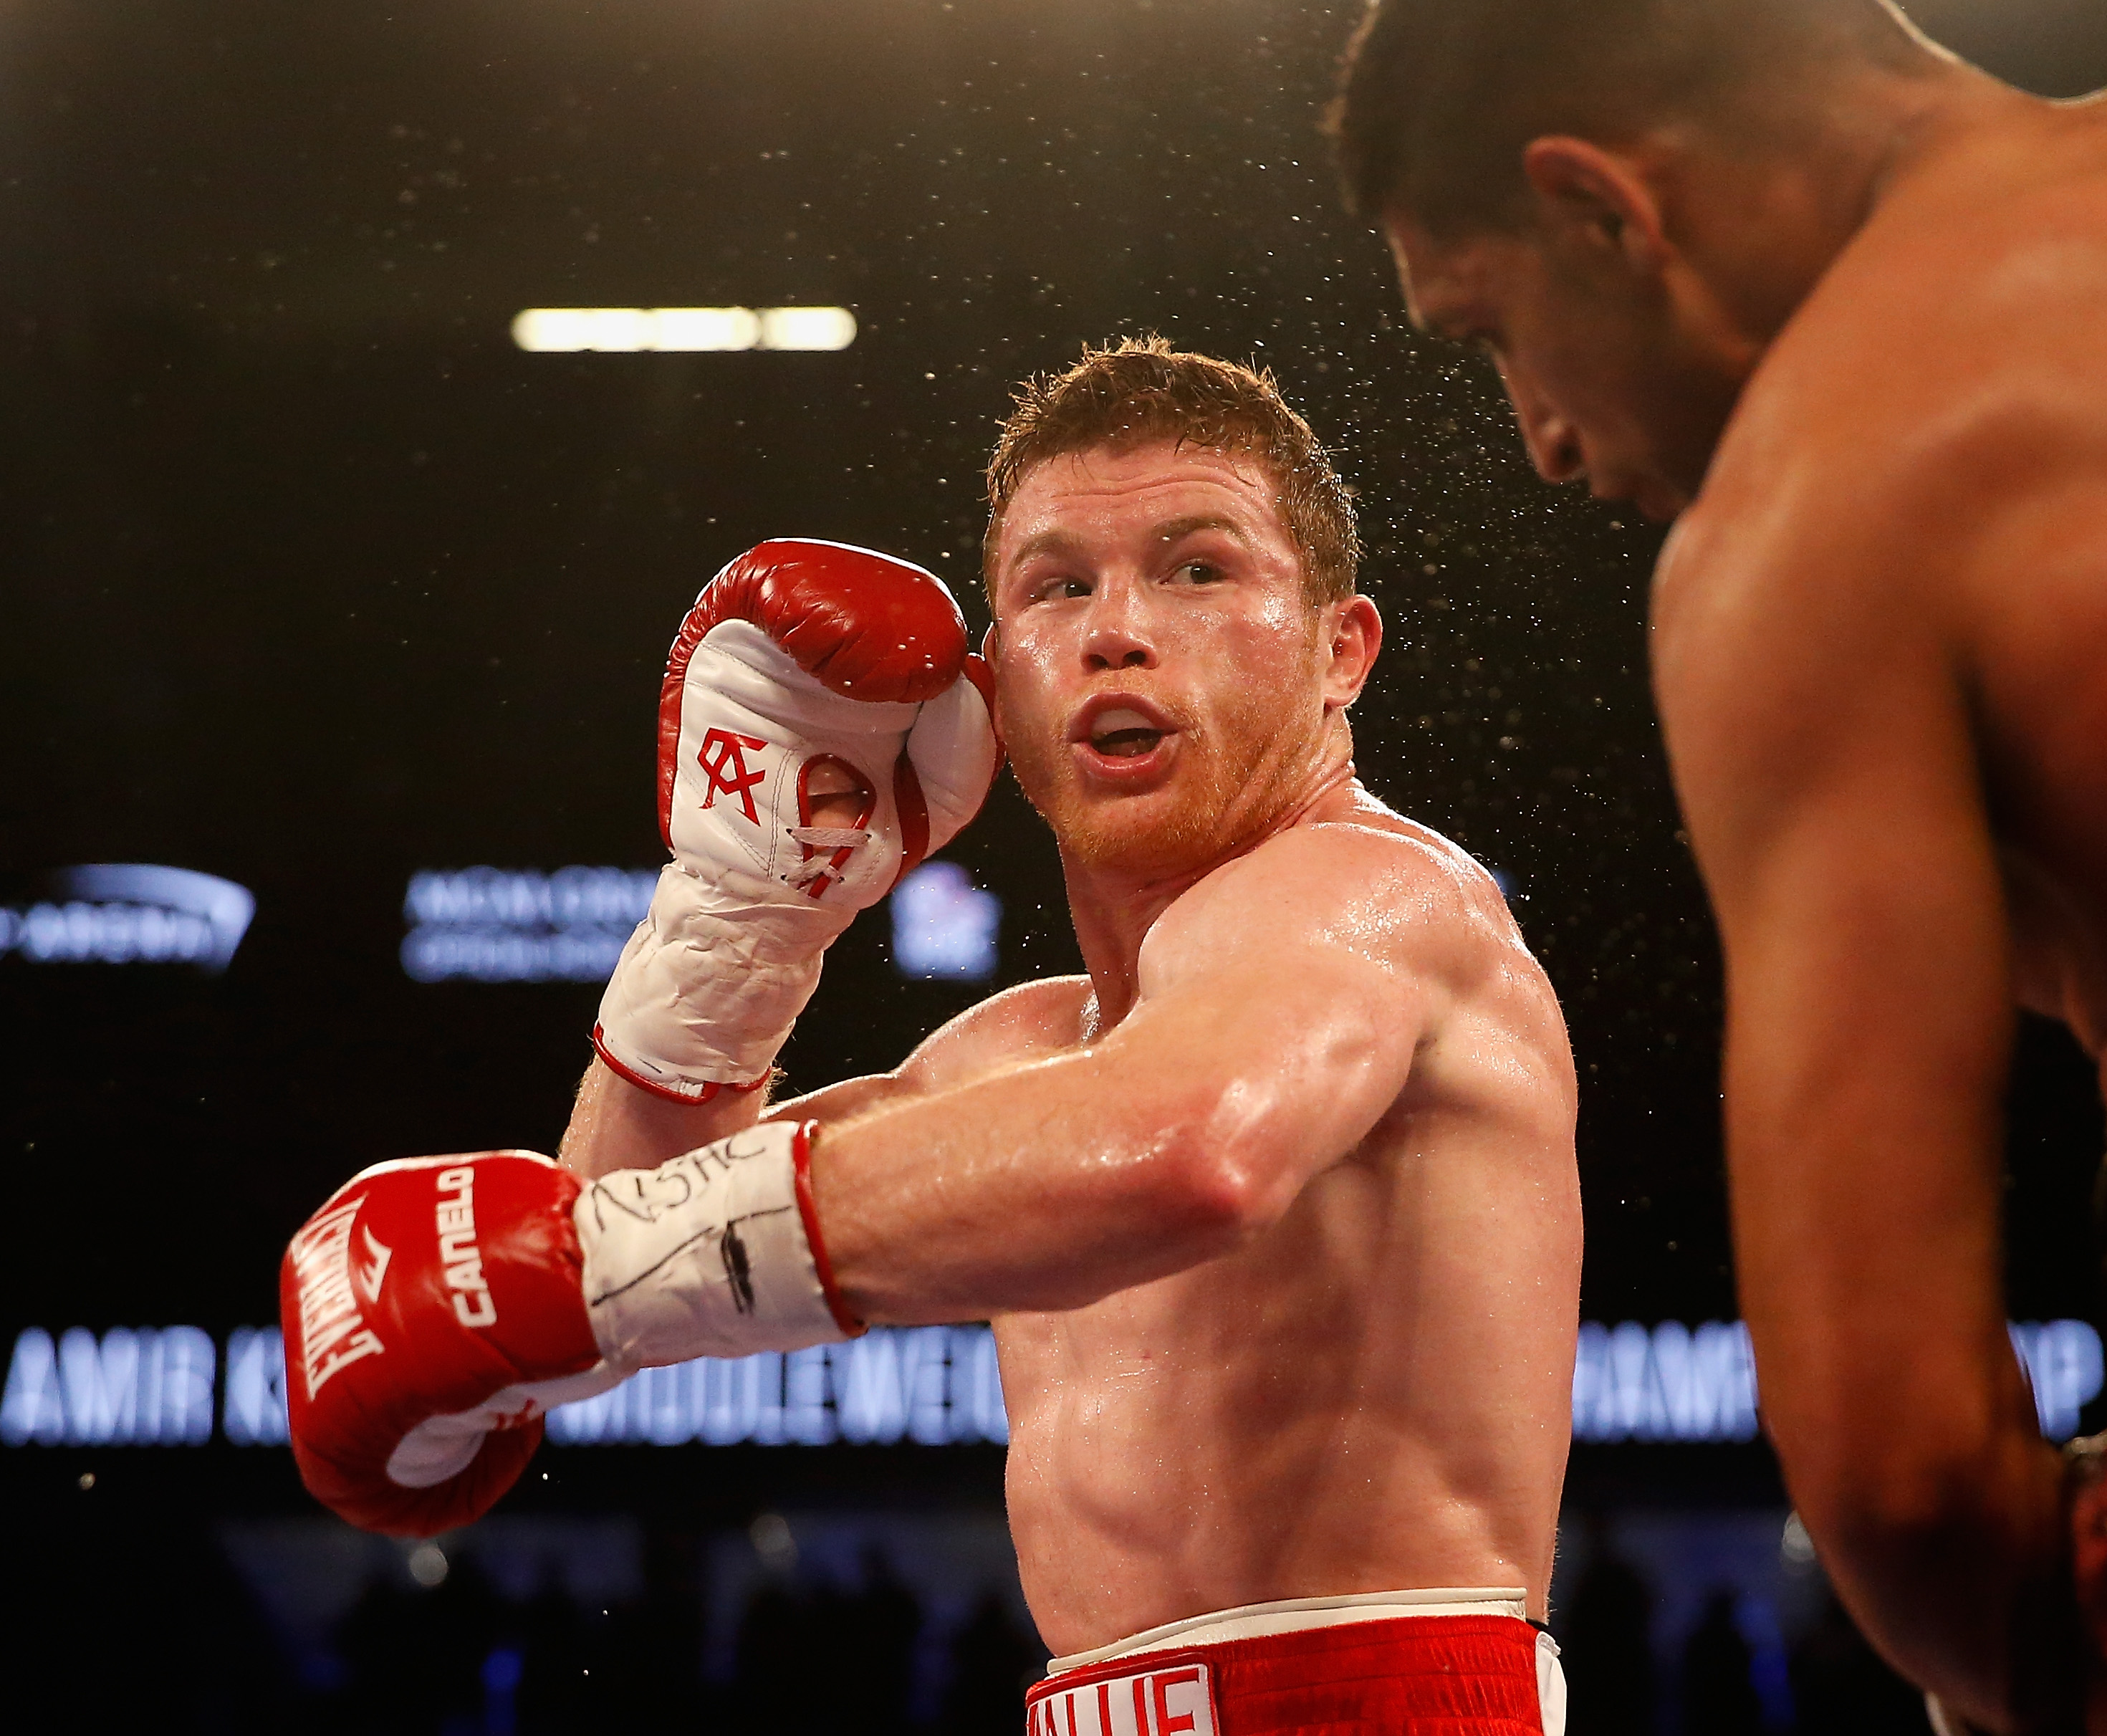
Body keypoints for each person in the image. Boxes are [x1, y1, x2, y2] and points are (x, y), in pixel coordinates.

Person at [1329, 2, 2107, 1732]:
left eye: (1491, 333)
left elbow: (1902, 1466)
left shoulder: (1822, 505)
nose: (1542, 436)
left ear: (1603, 211)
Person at [280, 340, 1582, 1736]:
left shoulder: (1379, 894)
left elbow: (1191, 1152)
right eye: (1056, 585)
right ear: (996, 682)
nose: (1117, 628)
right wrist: (741, 922)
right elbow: (618, 1241)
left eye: (1198, 569)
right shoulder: (1014, 1060)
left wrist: (585, 1270)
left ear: (1342, 650)